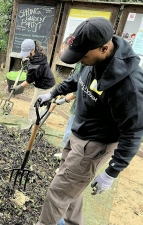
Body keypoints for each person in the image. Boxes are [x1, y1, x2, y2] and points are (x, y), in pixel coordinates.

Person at [35, 17, 143, 225]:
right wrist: (53, 93)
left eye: (82, 56)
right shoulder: (93, 60)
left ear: (103, 48)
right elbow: (78, 79)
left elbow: (133, 132)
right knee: (71, 190)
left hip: (95, 145)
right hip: (78, 133)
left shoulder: (129, 86)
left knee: (58, 193)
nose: (79, 60)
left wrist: (112, 172)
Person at [12, 39, 55, 126]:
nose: (25, 55)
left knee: (34, 106)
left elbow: (29, 80)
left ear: (32, 50)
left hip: (44, 86)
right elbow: (33, 61)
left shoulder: (35, 66)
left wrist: (18, 87)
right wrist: (28, 61)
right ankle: (38, 122)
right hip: (48, 81)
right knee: (41, 104)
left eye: (26, 53)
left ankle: (31, 126)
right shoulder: (39, 54)